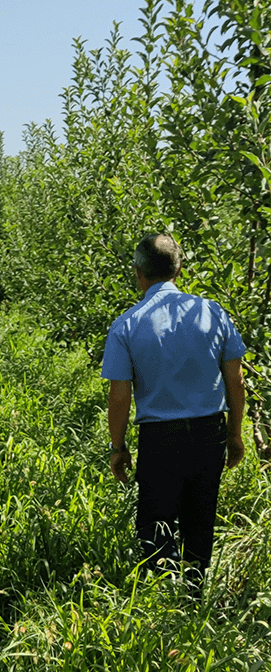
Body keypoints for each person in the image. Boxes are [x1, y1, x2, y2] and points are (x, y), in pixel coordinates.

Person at [102, 233, 246, 586]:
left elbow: (119, 396)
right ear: (179, 269)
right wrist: (235, 435)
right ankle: (194, 599)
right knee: (200, 521)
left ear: (138, 274)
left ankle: (162, 607)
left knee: (157, 526)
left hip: (159, 440)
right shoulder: (212, 312)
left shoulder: (127, 324)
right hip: (208, 434)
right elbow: (236, 378)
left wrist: (118, 448)